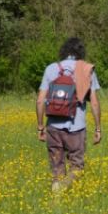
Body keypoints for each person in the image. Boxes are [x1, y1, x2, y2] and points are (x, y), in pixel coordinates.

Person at [36, 37, 102, 191]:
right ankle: (64, 186)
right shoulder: (86, 69)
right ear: (81, 52)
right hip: (76, 128)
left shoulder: (51, 68)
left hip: (53, 127)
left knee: (56, 169)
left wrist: (40, 127)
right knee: (77, 168)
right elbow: (94, 102)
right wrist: (98, 128)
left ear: (64, 51)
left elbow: (40, 101)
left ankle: (57, 191)